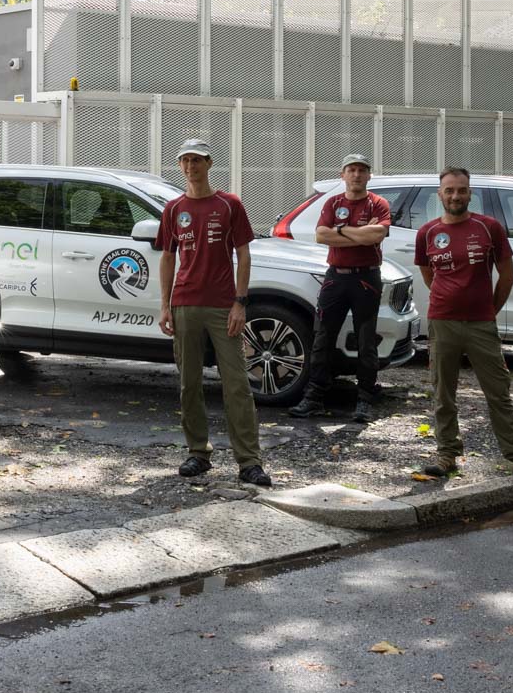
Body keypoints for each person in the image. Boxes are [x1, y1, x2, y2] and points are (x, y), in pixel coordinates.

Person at [412, 168, 513, 485]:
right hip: (442, 323)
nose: (455, 195)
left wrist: (488, 310)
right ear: (439, 194)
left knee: (498, 393)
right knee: (444, 393)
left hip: (481, 325)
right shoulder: (427, 233)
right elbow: (429, 274)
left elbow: (508, 276)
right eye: (449, 190)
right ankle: (446, 456)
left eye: (461, 190)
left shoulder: (489, 228)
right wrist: (449, 300)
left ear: (470, 193)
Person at [157, 138, 270, 488]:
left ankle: (249, 461)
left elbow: (244, 254)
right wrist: (165, 305)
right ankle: (197, 453)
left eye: (197, 160)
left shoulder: (229, 204)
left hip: (223, 306)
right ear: (180, 166)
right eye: (185, 160)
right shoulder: (174, 208)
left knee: (236, 384)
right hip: (185, 304)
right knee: (189, 382)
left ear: (209, 163)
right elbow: (167, 257)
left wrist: (241, 302)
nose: (191, 166)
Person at [290, 154, 392, 423]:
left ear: (369, 175)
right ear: (342, 174)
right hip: (336, 278)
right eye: (351, 170)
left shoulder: (378, 204)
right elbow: (321, 235)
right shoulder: (333, 202)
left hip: (366, 278)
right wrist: (359, 234)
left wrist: (342, 229)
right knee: (323, 336)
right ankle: (313, 397)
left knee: (366, 340)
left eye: (362, 170)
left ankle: (365, 399)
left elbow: (377, 235)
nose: (357, 175)